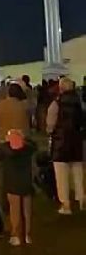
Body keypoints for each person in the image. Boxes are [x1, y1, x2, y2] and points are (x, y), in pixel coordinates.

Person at [46, 76, 85, 214]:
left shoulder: (56, 104)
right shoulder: (79, 103)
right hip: (76, 141)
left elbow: (50, 126)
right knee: (78, 171)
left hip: (60, 142)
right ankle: (81, 198)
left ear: (61, 88)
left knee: (61, 176)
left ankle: (66, 204)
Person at [0, 129, 35, 246]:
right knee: (27, 211)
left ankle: (16, 235)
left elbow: (0, 154)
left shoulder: (5, 150)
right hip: (26, 183)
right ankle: (27, 234)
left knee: (14, 211)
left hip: (12, 183)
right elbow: (33, 145)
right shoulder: (28, 149)